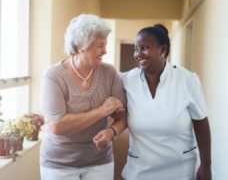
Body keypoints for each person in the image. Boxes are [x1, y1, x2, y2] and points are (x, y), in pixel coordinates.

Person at [40, 14, 127, 180]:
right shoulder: (53, 76)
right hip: (59, 162)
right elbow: (57, 127)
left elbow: (122, 117)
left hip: (100, 159)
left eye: (106, 45)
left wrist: (112, 131)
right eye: (100, 45)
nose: (105, 51)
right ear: (81, 46)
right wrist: (101, 111)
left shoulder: (109, 72)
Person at [121, 24, 212, 180]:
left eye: (144, 48)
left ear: (162, 50)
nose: (138, 54)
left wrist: (206, 164)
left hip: (180, 168)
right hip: (140, 169)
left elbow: (201, 122)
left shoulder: (187, 79)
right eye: (136, 49)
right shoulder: (126, 80)